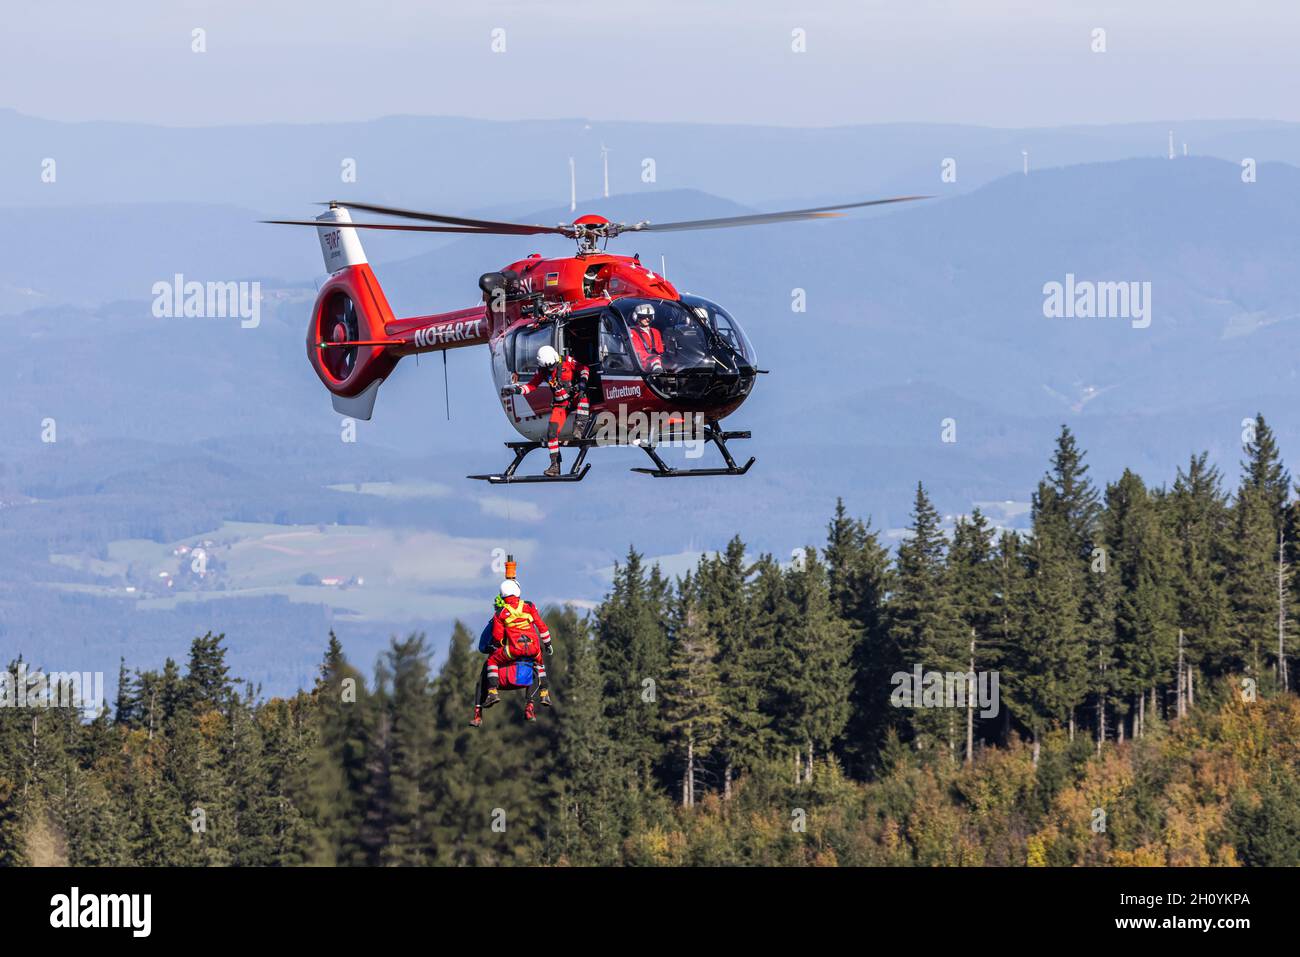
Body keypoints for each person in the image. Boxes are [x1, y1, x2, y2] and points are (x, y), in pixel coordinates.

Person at [471, 579, 553, 726]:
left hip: (513, 649)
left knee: (491, 661)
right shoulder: (529, 606)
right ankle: (544, 694)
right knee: (540, 664)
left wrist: (500, 644)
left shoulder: (500, 613)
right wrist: (548, 645)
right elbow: (542, 627)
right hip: (534, 649)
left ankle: (492, 692)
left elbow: (496, 637)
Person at [503, 344, 590, 476]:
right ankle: (555, 466)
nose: (551, 369)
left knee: (583, 396)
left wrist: (583, 381)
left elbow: (584, 368)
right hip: (560, 404)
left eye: (552, 366)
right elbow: (532, 386)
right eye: (548, 367)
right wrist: (516, 390)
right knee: (551, 432)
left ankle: (580, 426)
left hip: (575, 396)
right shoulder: (543, 371)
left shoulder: (567, 361)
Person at [628, 303, 666, 372]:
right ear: (636, 317)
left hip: (658, 362)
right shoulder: (633, 332)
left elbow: (660, 350)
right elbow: (638, 352)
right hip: (642, 365)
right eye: (643, 317)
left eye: (649, 317)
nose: (647, 319)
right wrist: (654, 359)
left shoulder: (656, 332)